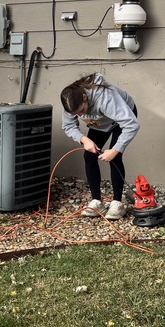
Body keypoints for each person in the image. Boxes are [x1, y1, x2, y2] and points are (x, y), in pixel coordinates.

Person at [60, 73, 140, 220]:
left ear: (85, 97)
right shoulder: (70, 102)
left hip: (122, 119)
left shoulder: (105, 98)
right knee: (89, 155)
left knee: (115, 158)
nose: (80, 114)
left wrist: (115, 149)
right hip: (99, 123)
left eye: (81, 111)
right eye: (76, 114)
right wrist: (83, 139)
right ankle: (97, 201)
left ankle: (117, 203)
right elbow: (68, 125)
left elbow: (131, 124)